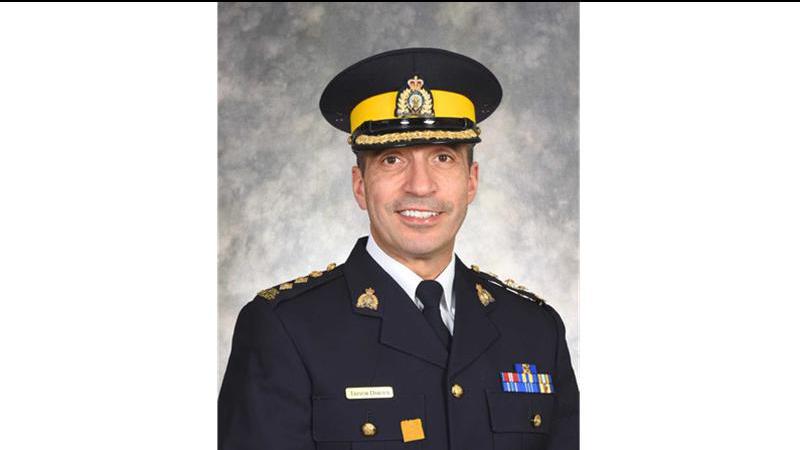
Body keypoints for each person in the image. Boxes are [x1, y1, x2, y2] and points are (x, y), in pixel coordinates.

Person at [218, 47, 579, 450]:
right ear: (360, 185)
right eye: (392, 160)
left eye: (443, 158)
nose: (420, 186)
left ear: (471, 181)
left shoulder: (536, 330)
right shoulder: (285, 330)